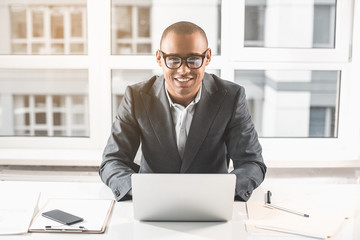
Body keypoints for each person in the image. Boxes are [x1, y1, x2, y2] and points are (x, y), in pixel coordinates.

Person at [99, 21, 266, 201]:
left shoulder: (231, 97)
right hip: (152, 203)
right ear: (159, 58)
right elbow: (112, 161)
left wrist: (223, 192)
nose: (183, 70)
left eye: (194, 60)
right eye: (173, 60)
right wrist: (139, 191)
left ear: (207, 57)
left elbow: (252, 163)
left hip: (211, 203)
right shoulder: (136, 97)